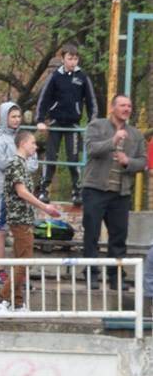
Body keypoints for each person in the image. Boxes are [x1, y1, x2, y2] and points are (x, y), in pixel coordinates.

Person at [0, 130, 60, 312]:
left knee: (20, 261)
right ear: (23, 143)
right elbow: (22, 192)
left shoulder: (22, 164)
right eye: (32, 143)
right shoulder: (16, 164)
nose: (35, 146)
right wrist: (44, 207)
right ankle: (1, 300)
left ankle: (17, 303)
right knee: (24, 261)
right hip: (20, 219)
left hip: (24, 219)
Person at [82, 95, 146, 290]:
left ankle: (116, 276)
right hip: (95, 189)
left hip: (121, 192)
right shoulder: (97, 126)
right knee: (91, 234)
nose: (127, 109)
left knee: (119, 237)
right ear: (112, 108)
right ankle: (91, 274)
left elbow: (143, 162)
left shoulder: (136, 134)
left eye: (129, 106)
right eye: (122, 105)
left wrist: (128, 162)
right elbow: (91, 149)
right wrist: (113, 140)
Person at [36, 44, 97, 206]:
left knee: (73, 158)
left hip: (73, 125)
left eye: (75, 59)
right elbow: (44, 98)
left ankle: (77, 191)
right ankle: (44, 190)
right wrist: (40, 120)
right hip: (55, 123)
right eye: (70, 58)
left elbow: (91, 100)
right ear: (63, 59)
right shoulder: (55, 76)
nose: (73, 62)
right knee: (51, 157)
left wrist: (92, 121)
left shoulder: (82, 77)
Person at [0, 102, 38, 278]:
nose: (17, 120)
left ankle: (20, 275)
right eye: (13, 116)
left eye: (18, 116)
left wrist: (18, 162)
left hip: (24, 190)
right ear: (5, 117)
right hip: (4, 190)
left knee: (22, 232)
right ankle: (0, 272)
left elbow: (34, 165)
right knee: (2, 230)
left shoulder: (25, 137)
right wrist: (20, 160)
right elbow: (2, 164)